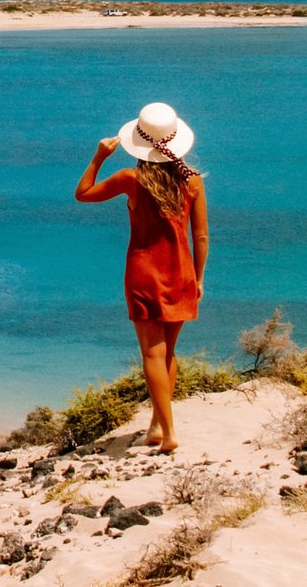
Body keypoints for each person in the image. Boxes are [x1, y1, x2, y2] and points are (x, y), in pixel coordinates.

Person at [75, 102, 209, 453]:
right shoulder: (192, 181)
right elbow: (202, 238)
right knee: (169, 354)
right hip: (181, 273)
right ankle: (156, 427)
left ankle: (168, 432)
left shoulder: (130, 180)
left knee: (152, 354)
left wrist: (99, 156)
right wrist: (198, 278)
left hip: (144, 274)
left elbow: (83, 194)